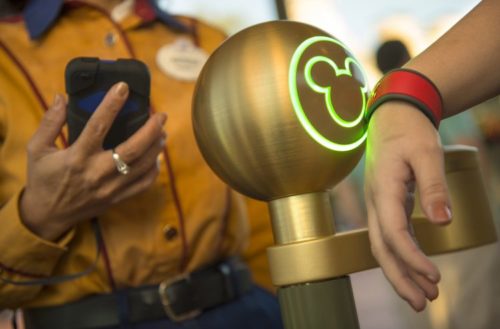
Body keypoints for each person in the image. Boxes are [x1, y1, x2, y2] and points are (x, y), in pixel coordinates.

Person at [0, 1, 283, 328]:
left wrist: (282, 304)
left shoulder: (208, 39)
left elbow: (258, 202)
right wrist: (39, 215)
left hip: (246, 312)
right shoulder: (6, 55)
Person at [364, 0, 500, 313]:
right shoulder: (436, 105)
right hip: (465, 224)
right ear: (408, 54)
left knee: (426, 310)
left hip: (410, 237)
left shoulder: (377, 120)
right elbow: (472, 149)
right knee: (480, 310)